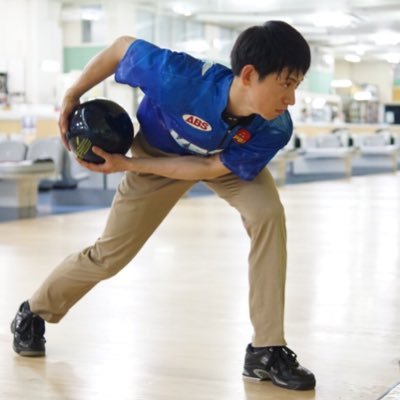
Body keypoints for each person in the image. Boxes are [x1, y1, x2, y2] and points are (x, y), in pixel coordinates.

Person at [11, 20, 315, 391]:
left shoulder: (275, 128)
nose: (291, 99)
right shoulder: (179, 78)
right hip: (156, 154)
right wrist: (74, 94)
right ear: (249, 75)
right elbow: (121, 47)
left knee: (267, 214)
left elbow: (206, 168)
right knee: (110, 254)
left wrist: (127, 166)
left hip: (222, 159)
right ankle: (33, 311)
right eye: (286, 84)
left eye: (297, 86)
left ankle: (266, 350)